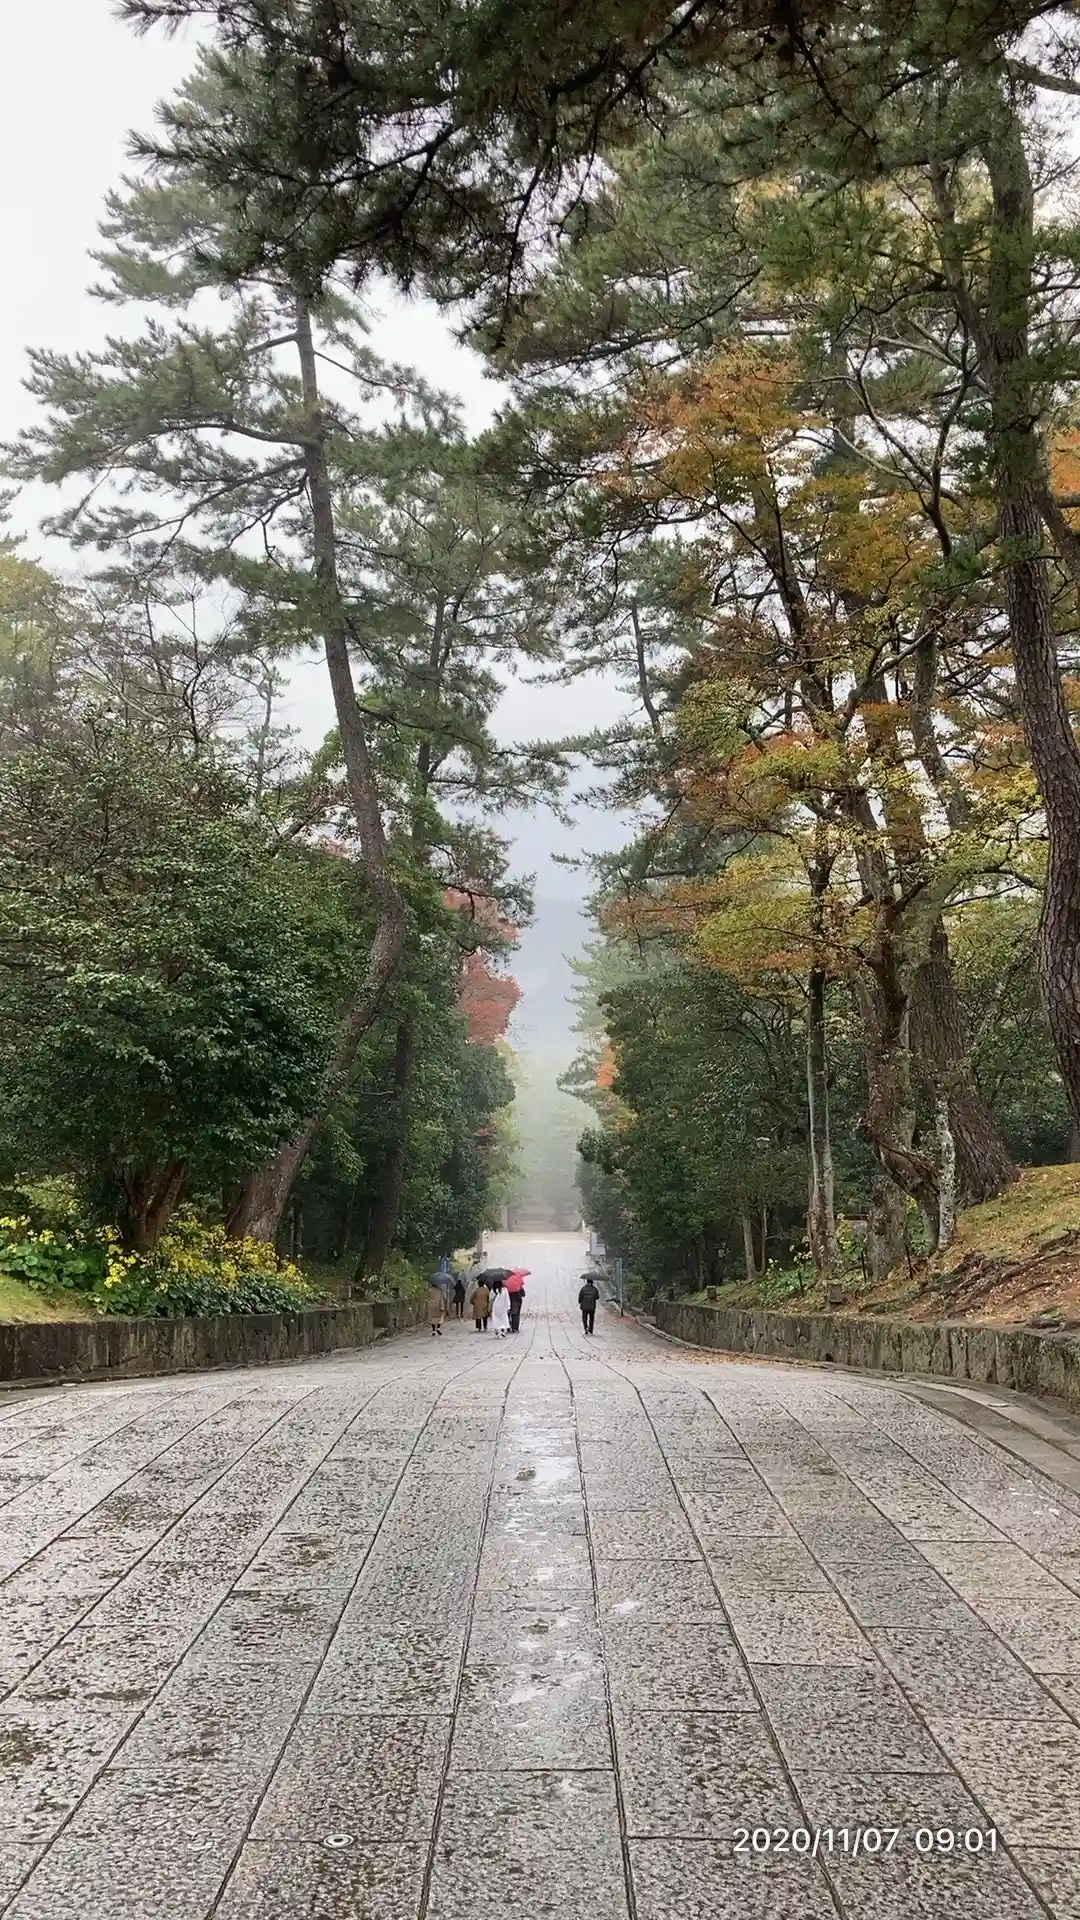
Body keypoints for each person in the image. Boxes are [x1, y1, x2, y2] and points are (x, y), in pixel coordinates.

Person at [506, 1267, 529, 1333]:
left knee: (510, 1314)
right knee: (516, 1314)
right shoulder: (518, 1287)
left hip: (510, 1302)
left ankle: (510, 1326)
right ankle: (515, 1327)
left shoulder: (508, 1287)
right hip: (517, 1302)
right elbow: (523, 1294)